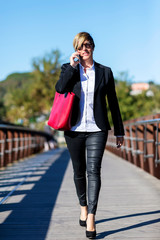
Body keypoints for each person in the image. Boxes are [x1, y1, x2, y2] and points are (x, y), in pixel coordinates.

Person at [55, 32, 124, 239]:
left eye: (88, 45)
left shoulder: (105, 71)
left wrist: (119, 130)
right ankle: (83, 206)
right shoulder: (69, 70)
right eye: (81, 46)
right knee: (79, 171)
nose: (85, 49)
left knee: (94, 171)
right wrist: (72, 67)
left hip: (97, 128)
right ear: (76, 48)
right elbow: (60, 88)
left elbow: (113, 102)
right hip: (74, 129)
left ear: (93, 46)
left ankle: (92, 216)